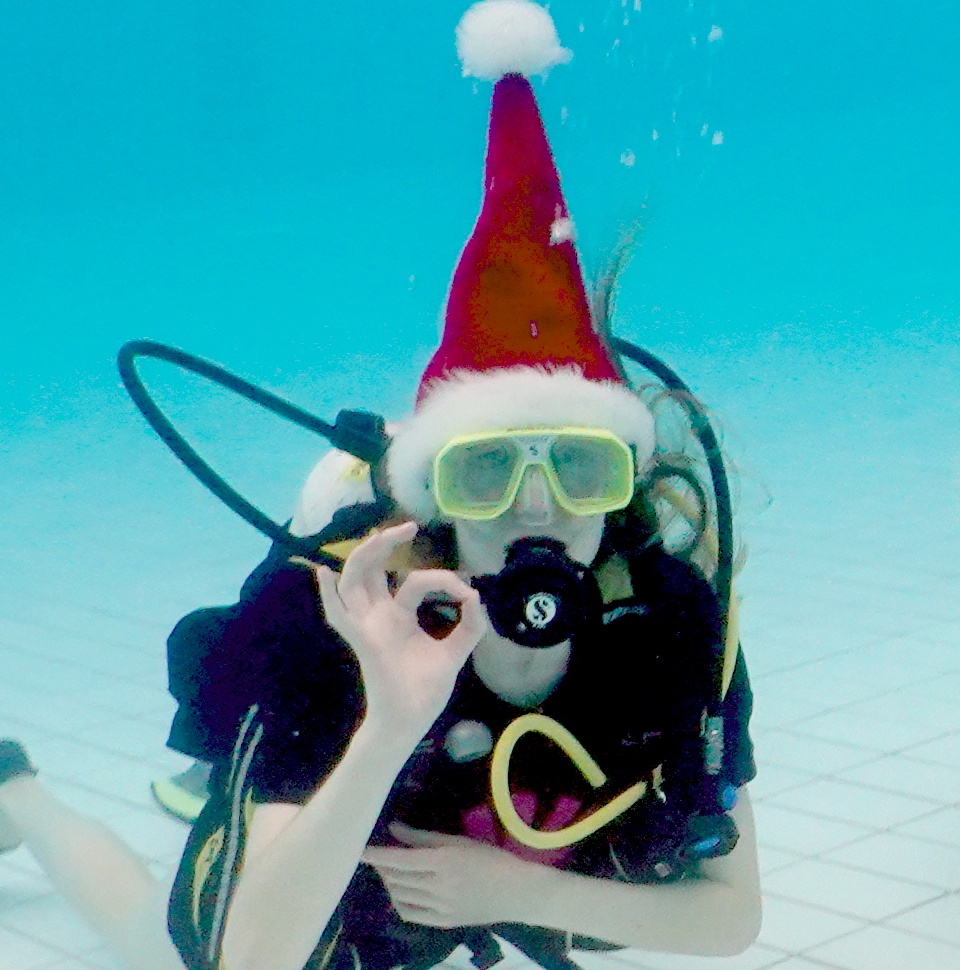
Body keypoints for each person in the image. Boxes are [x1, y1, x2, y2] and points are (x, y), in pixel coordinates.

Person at [0, 4, 760, 970]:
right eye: (487, 468)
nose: (537, 506)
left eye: (579, 465)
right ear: (435, 489)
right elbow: (252, 960)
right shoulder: (326, 621)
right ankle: (16, 791)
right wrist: (390, 726)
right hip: (340, 900)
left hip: (526, 881)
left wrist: (516, 892)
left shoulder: (669, 621)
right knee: (145, 945)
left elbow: (733, 919)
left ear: (622, 482)